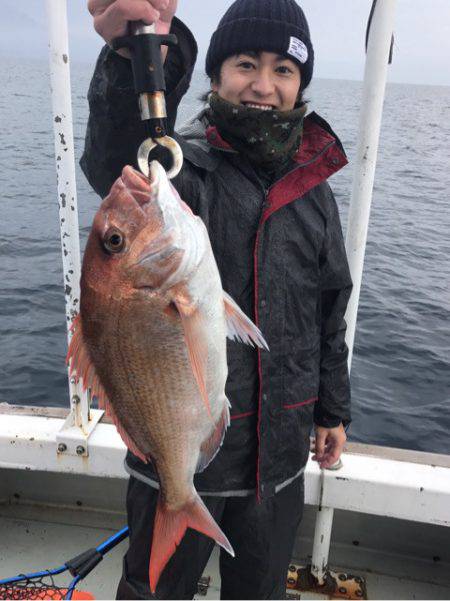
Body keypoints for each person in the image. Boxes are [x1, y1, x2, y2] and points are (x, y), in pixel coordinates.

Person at [83, 0, 352, 598]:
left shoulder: (315, 190)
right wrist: (138, 54)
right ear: (214, 76)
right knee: (153, 590)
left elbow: (330, 305)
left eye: (284, 70)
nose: (263, 85)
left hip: (279, 462)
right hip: (170, 458)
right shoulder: (180, 171)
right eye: (245, 64)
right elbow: (117, 165)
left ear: (301, 84)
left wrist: (331, 407)